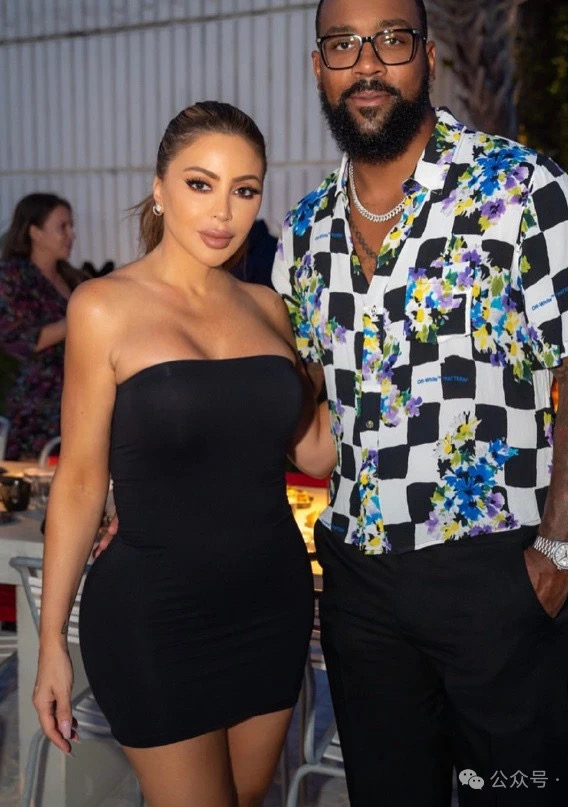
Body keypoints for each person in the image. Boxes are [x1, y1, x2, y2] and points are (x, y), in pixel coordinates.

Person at [272, 0, 568, 807]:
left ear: (427, 56)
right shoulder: (304, 230)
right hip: (358, 585)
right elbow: (290, 401)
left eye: (390, 40)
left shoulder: (523, 190)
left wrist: (556, 555)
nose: (367, 64)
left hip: (495, 575)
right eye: (342, 45)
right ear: (318, 67)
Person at [33, 101, 336, 807]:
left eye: (245, 190)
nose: (223, 212)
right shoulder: (103, 306)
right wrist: (51, 642)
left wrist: (359, 352)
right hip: (155, 613)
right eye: (201, 184)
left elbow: (316, 454)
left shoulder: (270, 308)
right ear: (160, 188)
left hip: (272, 601)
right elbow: (79, 482)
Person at [0, 193, 86, 459]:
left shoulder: (72, 277)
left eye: (71, 226)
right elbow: (23, 340)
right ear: (35, 232)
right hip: (37, 407)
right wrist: (83, 316)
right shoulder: (12, 276)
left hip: (78, 399)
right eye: (62, 227)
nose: (71, 234)